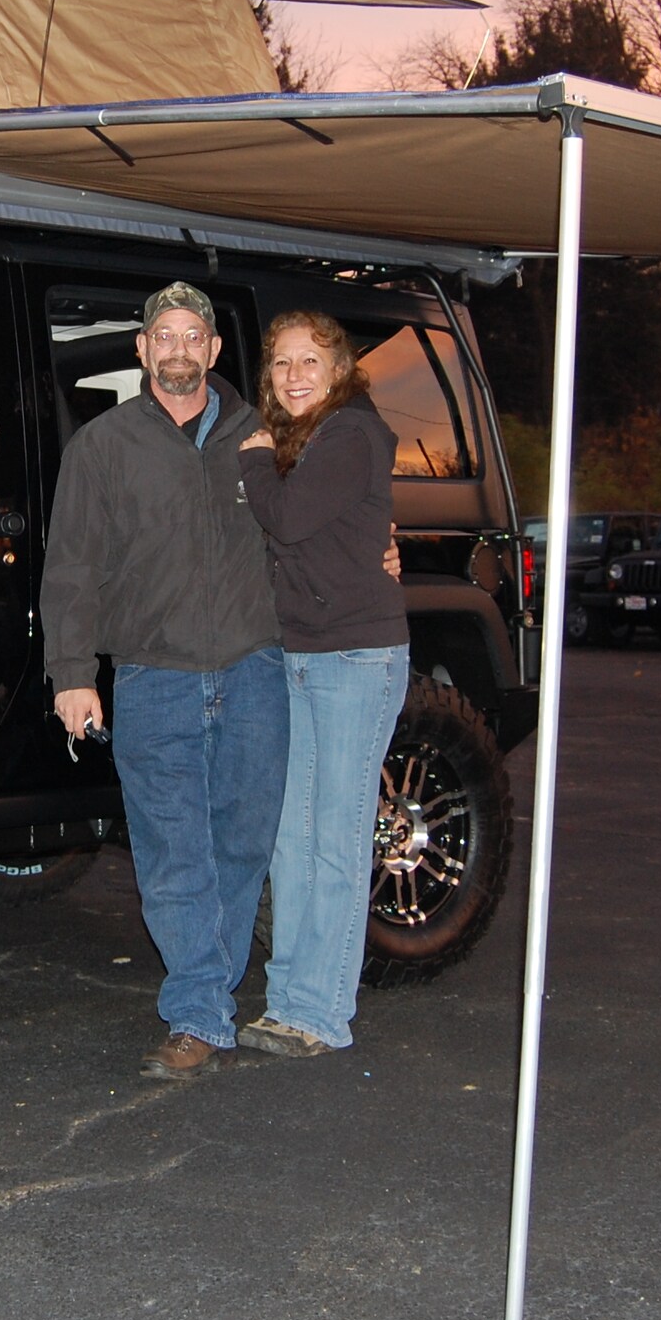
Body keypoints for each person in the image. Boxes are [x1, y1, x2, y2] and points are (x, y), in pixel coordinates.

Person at [41, 281, 288, 1080]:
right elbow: (71, 569)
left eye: (194, 337)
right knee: (173, 852)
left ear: (214, 351)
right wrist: (73, 676)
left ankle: (207, 996)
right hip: (153, 678)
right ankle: (199, 1015)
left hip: (254, 670)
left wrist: (379, 546)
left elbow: (318, 528)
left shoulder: (263, 438)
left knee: (243, 843)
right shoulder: (102, 448)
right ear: (142, 350)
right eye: (164, 337)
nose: (179, 349)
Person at [234, 311, 409, 1057]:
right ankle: (287, 1001)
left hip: (355, 659)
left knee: (335, 840)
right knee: (290, 839)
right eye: (281, 362)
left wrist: (251, 462)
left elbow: (294, 519)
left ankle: (322, 1012)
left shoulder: (350, 433)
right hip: (299, 655)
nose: (295, 374)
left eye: (311, 360)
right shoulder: (296, 441)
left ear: (341, 370)